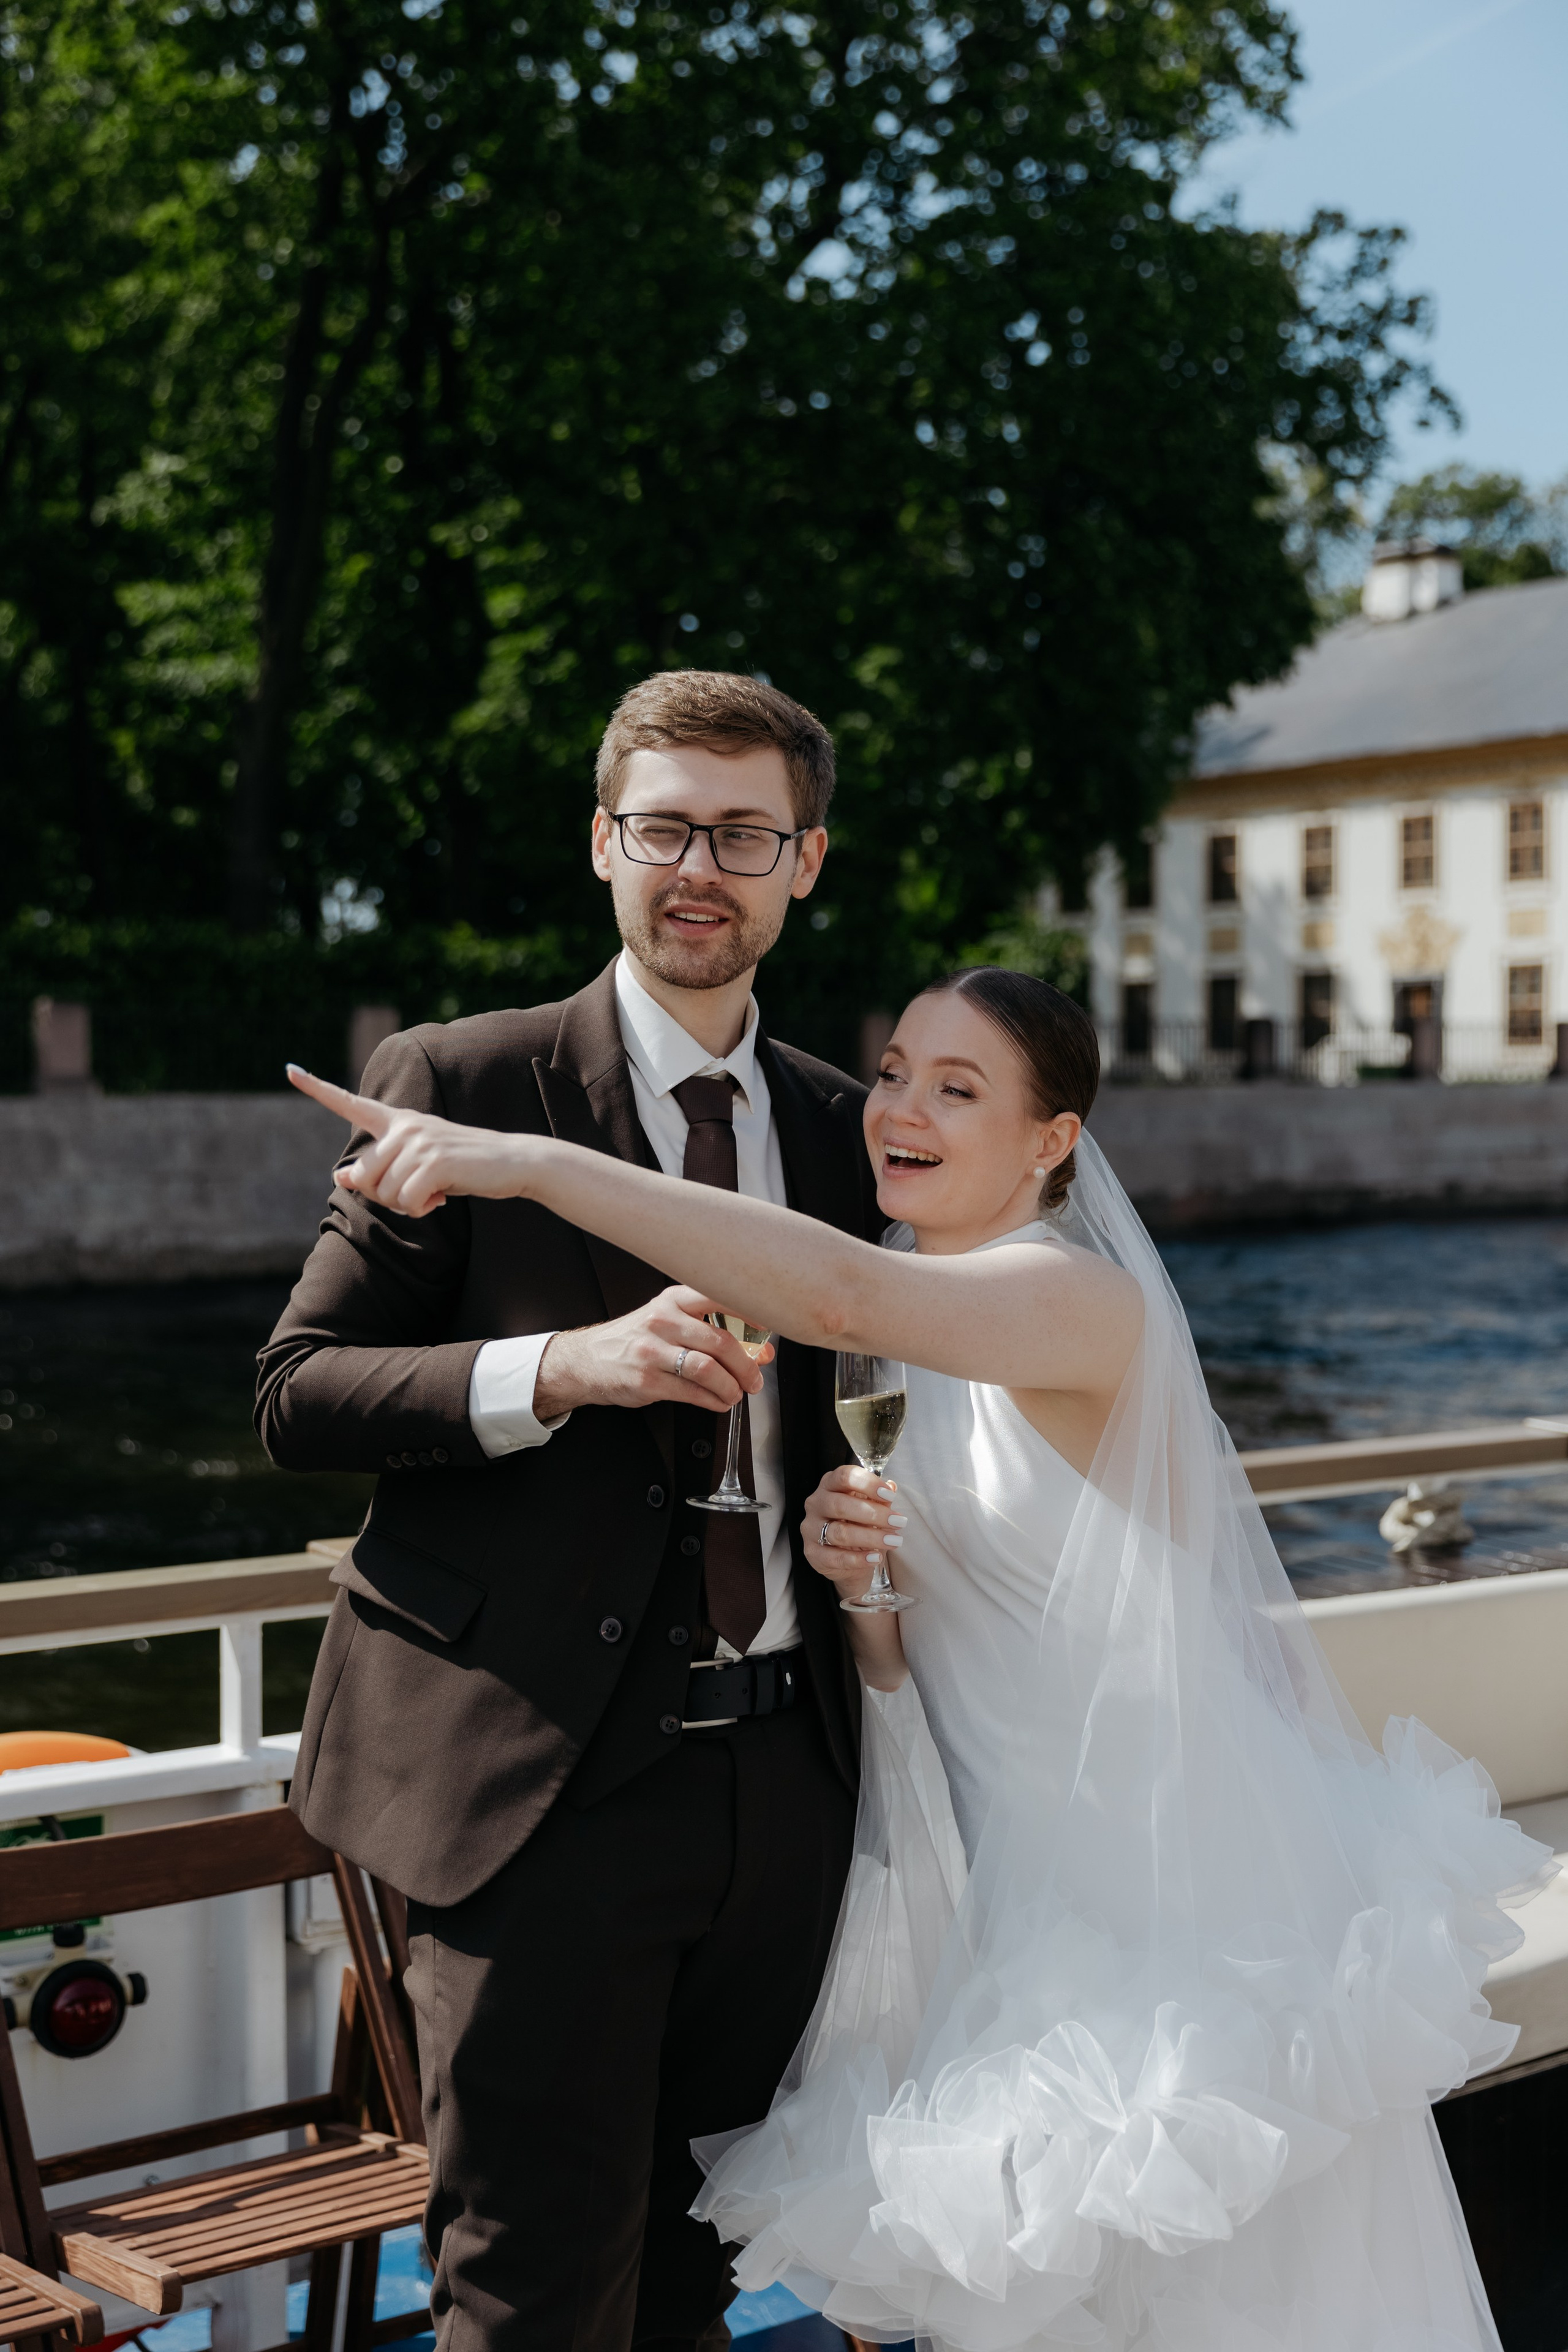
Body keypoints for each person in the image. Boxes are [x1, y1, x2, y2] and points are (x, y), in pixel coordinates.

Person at [289, 961, 1555, 2352]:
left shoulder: (1069, 1301)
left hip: (1135, 1894)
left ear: (1051, 1140)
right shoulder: (926, 1317)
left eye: (960, 1089)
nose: (899, 1107)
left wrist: (528, 1163)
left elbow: (827, 1290)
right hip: (982, 1881)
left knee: (1196, 2283)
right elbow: (930, 1634)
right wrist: (870, 1597)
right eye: (894, 1071)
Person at [257, 671, 882, 2352]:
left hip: (785, 1784)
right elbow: (297, 1395)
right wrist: (560, 1369)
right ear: (603, 844)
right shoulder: (461, 1080)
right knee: (529, 2296)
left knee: (707, 2280)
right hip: (538, 1795)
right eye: (665, 825)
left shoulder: (847, 1126)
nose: (702, 865)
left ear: (804, 863)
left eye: (744, 833)